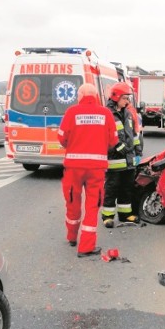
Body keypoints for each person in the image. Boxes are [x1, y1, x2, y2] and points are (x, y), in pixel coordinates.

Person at [58, 84, 118, 257]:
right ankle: (86, 247)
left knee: (72, 202)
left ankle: (71, 237)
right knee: (92, 207)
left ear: (81, 96)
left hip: (73, 168)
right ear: (96, 96)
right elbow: (113, 140)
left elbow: (62, 138)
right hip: (96, 169)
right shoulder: (106, 113)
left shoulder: (71, 112)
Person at [102, 82, 140, 228]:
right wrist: (118, 147)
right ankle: (108, 216)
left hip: (129, 160)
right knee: (112, 188)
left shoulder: (128, 113)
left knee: (126, 188)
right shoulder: (107, 114)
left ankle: (125, 215)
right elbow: (105, 137)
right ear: (116, 97)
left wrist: (138, 151)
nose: (127, 101)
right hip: (114, 160)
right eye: (125, 98)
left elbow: (134, 135)